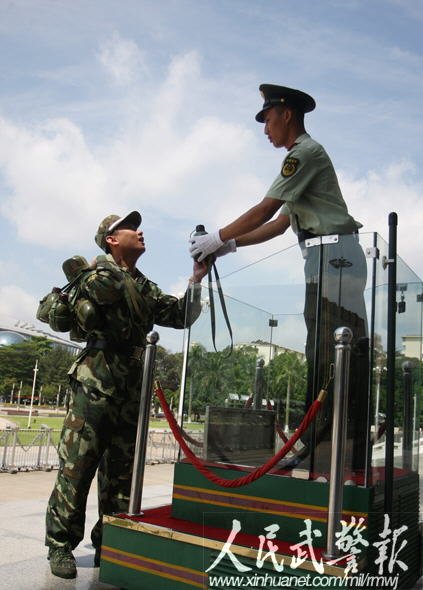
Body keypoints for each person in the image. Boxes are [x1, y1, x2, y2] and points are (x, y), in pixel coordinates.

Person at [189, 84, 369, 473]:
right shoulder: (302, 160)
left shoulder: (303, 154)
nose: (265, 129)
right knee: (324, 353)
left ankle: (325, 450)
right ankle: (330, 447)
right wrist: (227, 245)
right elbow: (279, 223)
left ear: (286, 114)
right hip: (328, 259)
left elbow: (265, 208)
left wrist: (216, 237)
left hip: (333, 259)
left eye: (268, 119)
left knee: (330, 355)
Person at [45, 210, 207, 579]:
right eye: (131, 228)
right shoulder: (94, 276)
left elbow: (179, 316)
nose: (141, 231)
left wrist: (196, 280)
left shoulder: (144, 285)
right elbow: (79, 309)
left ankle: (111, 542)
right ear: (112, 239)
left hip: (131, 384)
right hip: (95, 380)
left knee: (122, 473)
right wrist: (103, 274)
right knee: (78, 465)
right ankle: (60, 546)